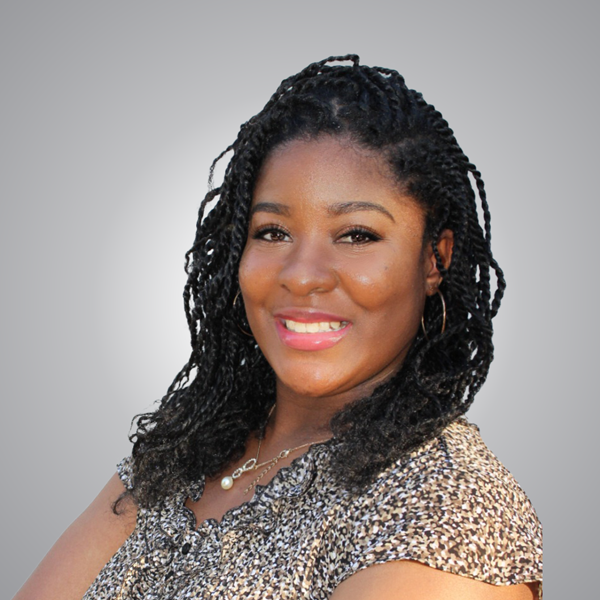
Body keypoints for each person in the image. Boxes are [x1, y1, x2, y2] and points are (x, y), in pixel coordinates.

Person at [14, 55, 542, 600]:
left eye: (357, 235)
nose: (302, 275)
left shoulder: (444, 510)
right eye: (273, 232)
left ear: (435, 259)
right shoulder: (189, 447)